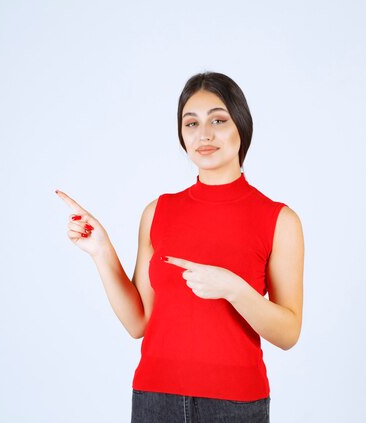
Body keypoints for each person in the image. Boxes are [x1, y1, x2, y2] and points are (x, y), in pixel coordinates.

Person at [55, 71, 304, 423]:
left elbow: (289, 332)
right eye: (191, 123)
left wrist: (233, 289)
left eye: (218, 120)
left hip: (234, 405)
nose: (204, 134)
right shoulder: (158, 211)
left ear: (241, 127)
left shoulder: (279, 220)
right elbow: (138, 321)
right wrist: (101, 251)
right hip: (155, 399)